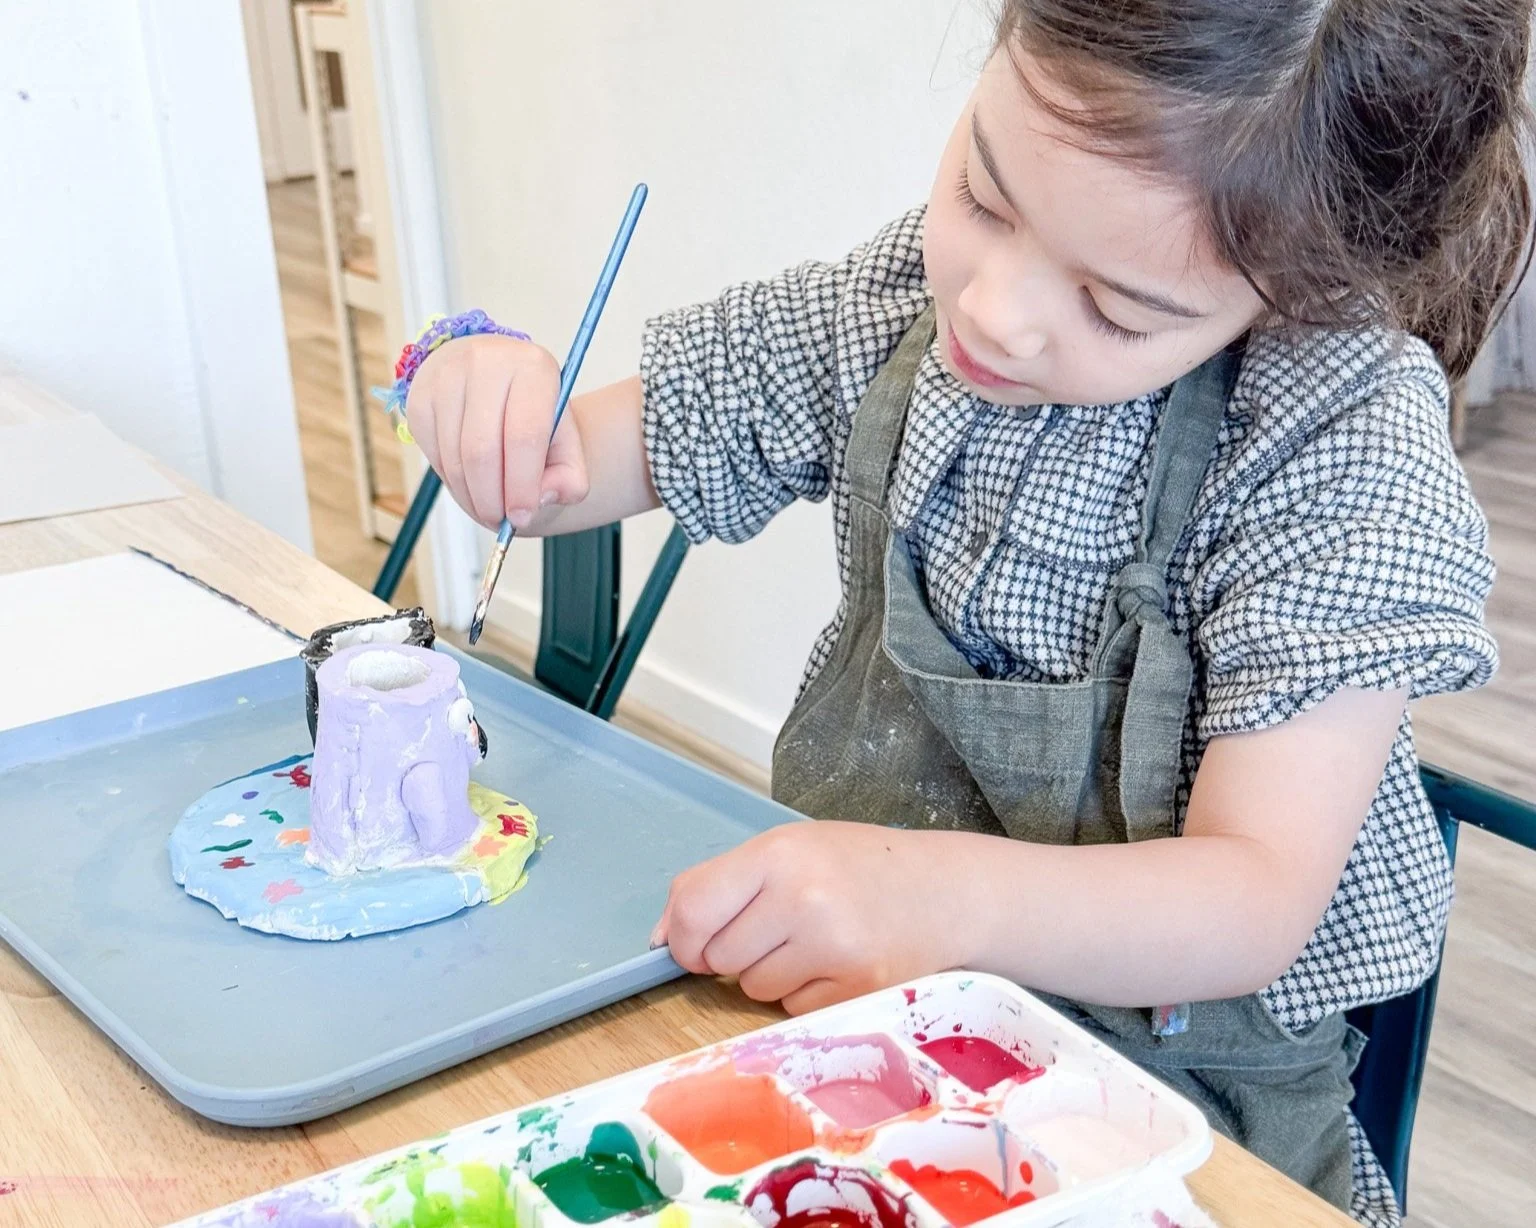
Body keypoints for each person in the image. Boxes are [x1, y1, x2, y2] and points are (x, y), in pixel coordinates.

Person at [399, 4, 1530, 1223]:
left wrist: (933, 900)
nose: (992, 309)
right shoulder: (904, 299)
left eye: (1118, 307)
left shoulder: (1336, 435)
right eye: (985, 198)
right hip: (863, 1038)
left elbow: (1252, 893)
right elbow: (592, 453)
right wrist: (482, 387)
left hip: (1167, 1113)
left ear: (1304, 281)